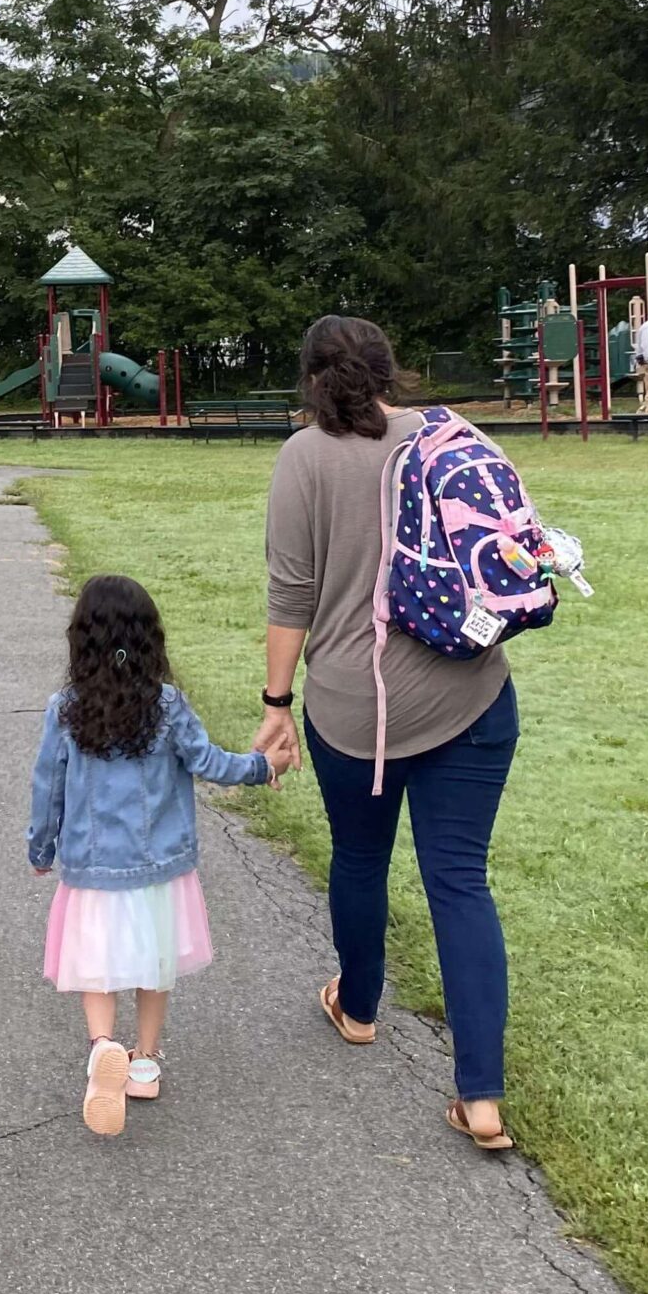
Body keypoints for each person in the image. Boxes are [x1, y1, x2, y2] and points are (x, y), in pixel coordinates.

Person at [256, 314, 521, 1151]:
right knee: (460, 882)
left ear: (311, 379)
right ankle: (481, 1096)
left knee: (361, 857)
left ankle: (360, 1007)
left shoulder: (303, 457)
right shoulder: (449, 435)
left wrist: (275, 703)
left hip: (351, 709)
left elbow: (291, 595)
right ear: (389, 369)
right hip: (470, 695)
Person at [28, 574, 287, 1136]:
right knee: (155, 962)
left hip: (93, 866)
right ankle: (144, 1062)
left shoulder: (65, 709)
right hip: (159, 866)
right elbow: (208, 762)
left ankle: (103, 1047)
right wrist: (263, 766)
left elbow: (48, 787)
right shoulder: (166, 705)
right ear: (149, 639)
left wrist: (41, 847)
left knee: (96, 962)